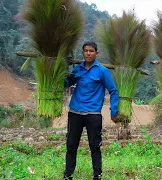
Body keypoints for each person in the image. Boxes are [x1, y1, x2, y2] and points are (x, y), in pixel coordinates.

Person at [63, 41, 119, 180]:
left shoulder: (102, 71)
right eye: (86, 51)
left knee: (95, 146)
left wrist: (114, 111)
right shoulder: (78, 70)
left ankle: (97, 175)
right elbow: (66, 84)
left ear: (96, 53)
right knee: (71, 146)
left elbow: (113, 90)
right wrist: (63, 68)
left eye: (91, 51)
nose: (88, 53)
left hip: (93, 114)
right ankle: (68, 175)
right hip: (75, 112)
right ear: (82, 53)